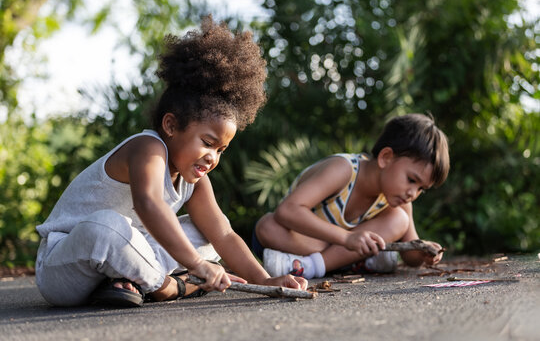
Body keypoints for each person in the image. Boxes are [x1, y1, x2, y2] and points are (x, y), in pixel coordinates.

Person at [35, 16, 307, 307]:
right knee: (108, 226)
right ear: (171, 126)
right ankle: (169, 287)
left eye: (221, 150)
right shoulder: (147, 148)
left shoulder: (196, 180)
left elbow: (224, 235)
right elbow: (148, 204)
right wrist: (197, 265)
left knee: (205, 234)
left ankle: (129, 281)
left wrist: (265, 280)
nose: (212, 157)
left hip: (122, 265)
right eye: (207, 143)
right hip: (65, 266)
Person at [252, 113, 450, 279]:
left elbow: (410, 256)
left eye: (421, 189)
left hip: (329, 251)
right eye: (411, 180)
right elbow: (287, 211)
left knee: (399, 219)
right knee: (267, 226)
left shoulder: (398, 198)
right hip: (306, 239)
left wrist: (423, 252)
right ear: (386, 158)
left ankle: (311, 266)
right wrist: (346, 239)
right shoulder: (343, 170)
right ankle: (357, 262)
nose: (413, 193)